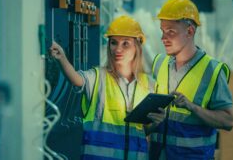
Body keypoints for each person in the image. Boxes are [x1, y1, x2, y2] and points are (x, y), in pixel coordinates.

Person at [50, 15, 165, 160]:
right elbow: (76, 79)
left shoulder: (149, 85)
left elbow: (143, 131)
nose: (118, 49)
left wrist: (155, 123)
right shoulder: (98, 77)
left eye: (125, 44)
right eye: (114, 43)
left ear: (137, 46)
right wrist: (62, 58)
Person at [149, 0, 233, 160]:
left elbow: (228, 121)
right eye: (162, 31)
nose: (163, 38)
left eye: (170, 32)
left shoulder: (212, 70)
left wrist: (191, 106)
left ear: (190, 31)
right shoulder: (159, 63)